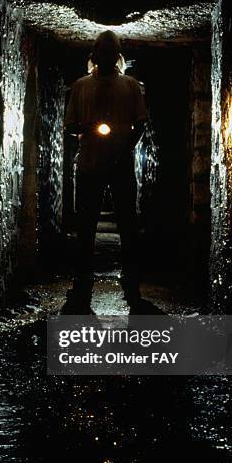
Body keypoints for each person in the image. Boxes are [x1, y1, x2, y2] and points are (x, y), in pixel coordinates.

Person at [62, 30, 148, 314]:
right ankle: (83, 277)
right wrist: (88, 130)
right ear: (95, 54)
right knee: (86, 226)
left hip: (119, 166)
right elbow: (70, 125)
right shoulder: (81, 86)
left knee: (127, 225)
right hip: (89, 165)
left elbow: (141, 124)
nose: (108, 56)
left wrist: (125, 150)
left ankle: (130, 276)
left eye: (112, 51)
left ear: (117, 55)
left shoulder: (131, 86)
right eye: (104, 51)